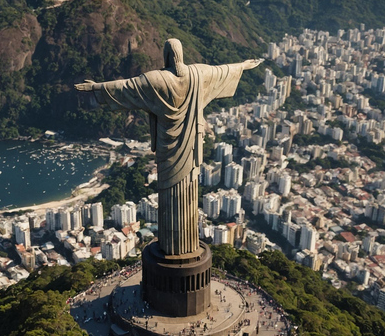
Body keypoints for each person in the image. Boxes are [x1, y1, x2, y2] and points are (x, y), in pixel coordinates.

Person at [76, 39, 261, 255]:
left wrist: (96, 88)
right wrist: (242, 66)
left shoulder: (156, 80)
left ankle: (173, 250)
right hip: (191, 147)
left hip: (167, 149)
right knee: (186, 188)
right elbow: (222, 72)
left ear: (166, 55)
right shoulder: (198, 74)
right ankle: (184, 249)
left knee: (169, 190)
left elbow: (125, 87)